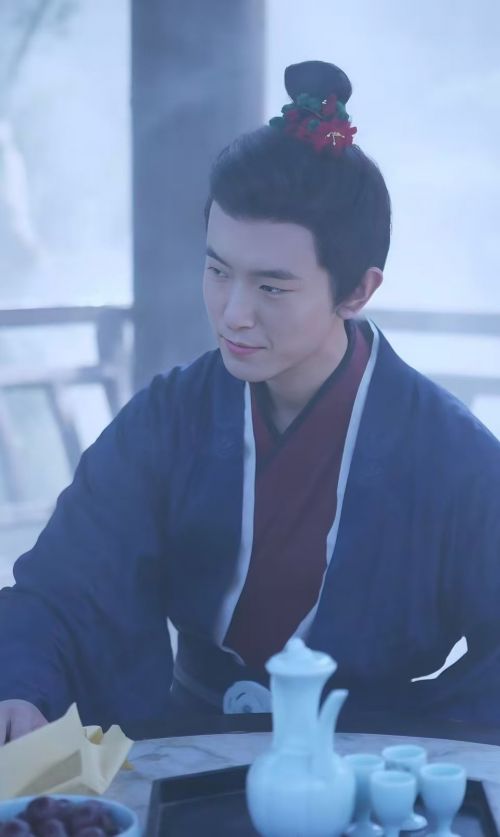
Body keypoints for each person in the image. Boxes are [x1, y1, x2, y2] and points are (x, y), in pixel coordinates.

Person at [1, 60, 499, 745]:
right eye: (217, 270)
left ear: (357, 290)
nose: (233, 312)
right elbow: (64, 587)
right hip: (187, 745)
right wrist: (20, 687)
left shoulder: (452, 455)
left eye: (271, 287)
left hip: (371, 760)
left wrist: (415, 740)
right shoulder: (168, 420)